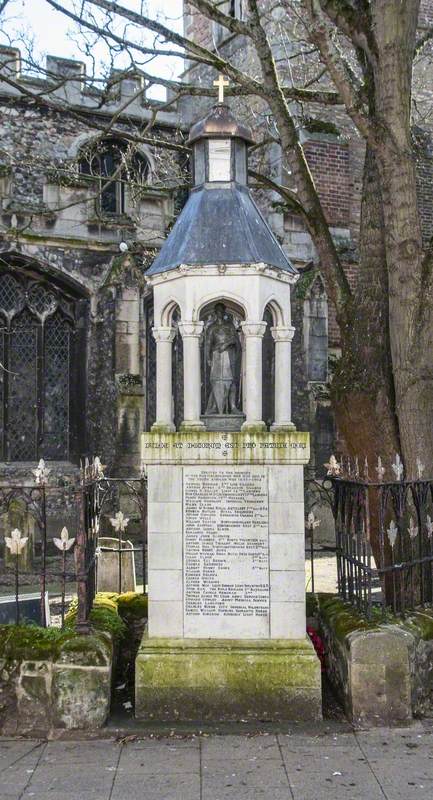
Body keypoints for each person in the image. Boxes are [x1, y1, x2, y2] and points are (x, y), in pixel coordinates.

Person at [205, 303, 241, 415]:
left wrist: (226, 344)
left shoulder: (230, 326)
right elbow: (208, 344)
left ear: (224, 312)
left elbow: (236, 341)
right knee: (216, 381)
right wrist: (208, 358)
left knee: (231, 381)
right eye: (217, 311)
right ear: (215, 313)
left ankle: (233, 406)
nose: (219, 313)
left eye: (221, 311)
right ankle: (215, 407)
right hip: (217, 357)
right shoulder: (212, 328)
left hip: (229, 355)